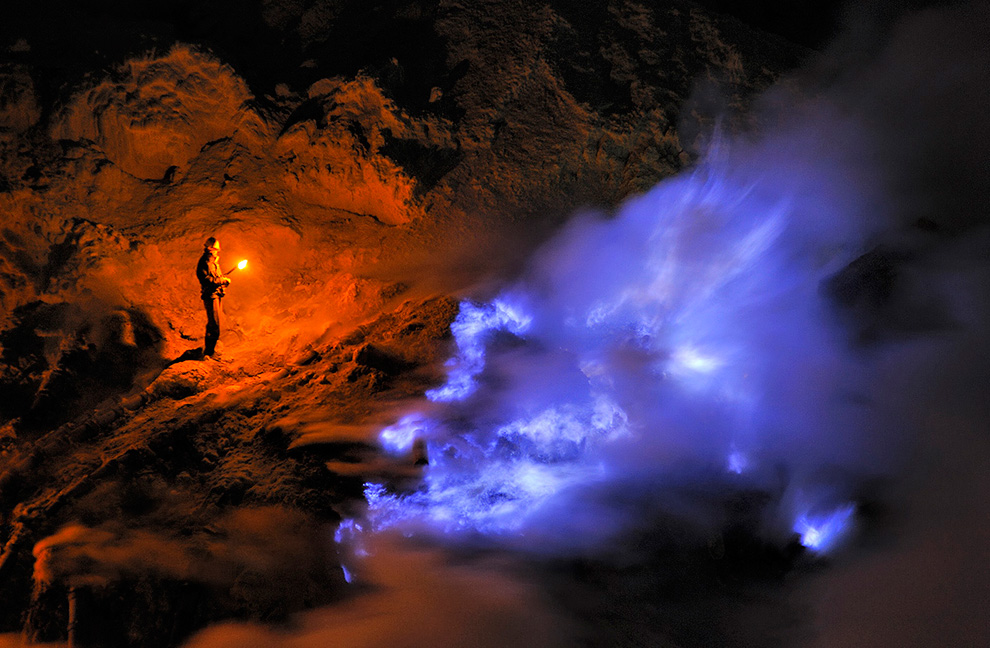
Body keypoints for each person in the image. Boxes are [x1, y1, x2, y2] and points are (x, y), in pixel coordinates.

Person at [196, 236, 230, 357]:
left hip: (216, 294)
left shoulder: (213, 262)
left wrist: (223, 280)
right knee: (213, 324)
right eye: (215, 249)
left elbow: (216, 277)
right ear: (210, 249)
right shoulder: (205, 262)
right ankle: (209, 353)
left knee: (215, 323)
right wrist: (221, 280)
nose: (217, 251)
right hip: (210, 296)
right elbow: (205, 279)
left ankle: (210, 351)